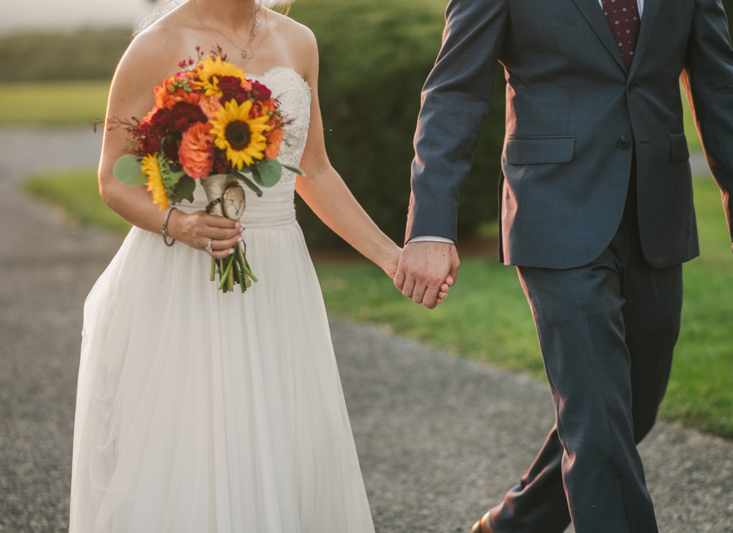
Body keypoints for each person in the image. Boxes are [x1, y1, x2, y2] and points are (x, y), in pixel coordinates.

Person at [393, 0, 733, 532]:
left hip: (657, 216)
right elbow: (454, 92)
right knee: (597, 420)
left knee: (629, 410)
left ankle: (511, 525)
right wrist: (432, 226)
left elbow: (717, 83)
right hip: (553, 214)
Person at [69, 1, 448, 530]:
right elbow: (113, 179)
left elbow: (313, 170)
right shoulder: (156, 44)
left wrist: (390, 257)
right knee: (199, 442)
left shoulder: (300, 41)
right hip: (185, 273)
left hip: (277, 271)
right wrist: (180, 223)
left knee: (281, 433)